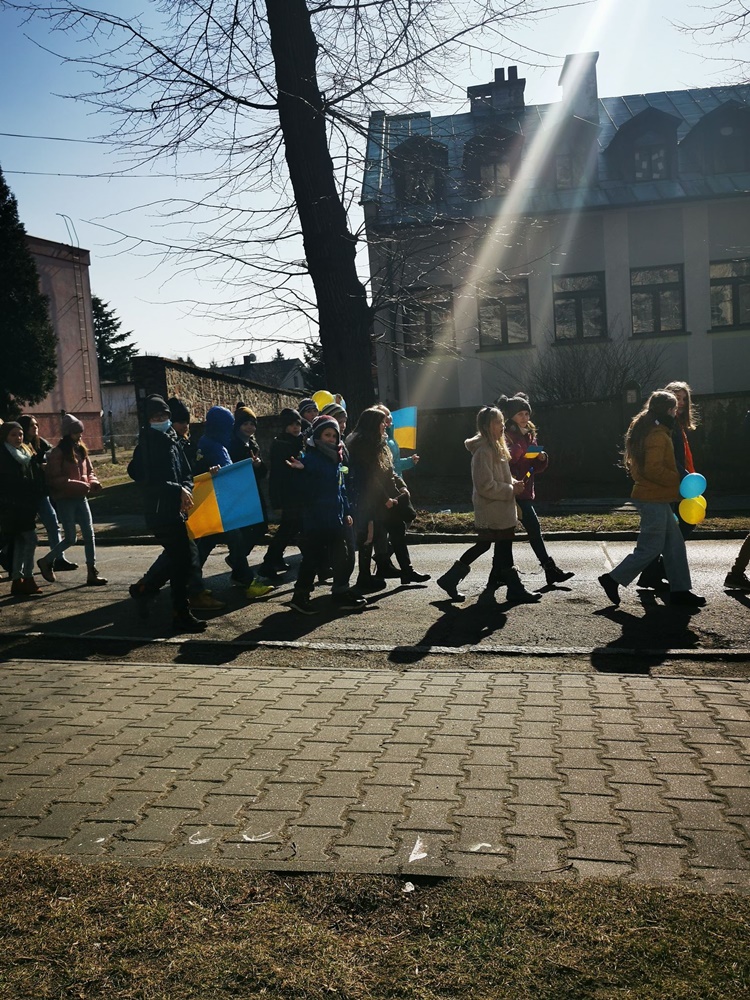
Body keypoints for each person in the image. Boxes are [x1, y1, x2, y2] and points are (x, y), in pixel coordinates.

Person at [598, 390, 706, 608]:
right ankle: (612, 579)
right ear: (668, 410)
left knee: (674, 546)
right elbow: (652, 470)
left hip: (658, 497)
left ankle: (680, 591)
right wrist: (678, 480)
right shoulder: (657, 434)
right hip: (652, 498)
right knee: (650, 548)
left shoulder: (654, 429)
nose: (677, 412)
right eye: (675, 409)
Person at [127, 395, 206, 632]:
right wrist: (178, 490)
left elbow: (185, 473)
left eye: (164, 416)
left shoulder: (173, 441)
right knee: (185, 559)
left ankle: (146, 590)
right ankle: (180, 613)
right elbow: (150, 481)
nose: (161, 420)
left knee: (182, 559)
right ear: (148, 420)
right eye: (156, 417)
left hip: (176, 511)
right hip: (160, 512)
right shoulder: (147, 445)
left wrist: (186, 489)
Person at [457, 406, 539, 606]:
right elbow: (485, 485)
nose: (502, 425)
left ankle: (505, 586)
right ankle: (514, 589)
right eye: (497, 422)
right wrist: (510, 489)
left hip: (501, 508)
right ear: (486, 426)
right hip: (492, 508)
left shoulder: (496, 445)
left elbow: (501, 476)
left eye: (502, 421)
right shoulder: (484, 451)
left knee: (502, 547)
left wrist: (514, 483)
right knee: (498, 547)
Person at [287, 415, 365, 614]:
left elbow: (341, 489)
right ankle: (300, 595)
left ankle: (340, 592)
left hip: (336, 518)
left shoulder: (336, 459)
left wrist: (347, 511)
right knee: (312, 559)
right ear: (318, 436)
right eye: (326, 434)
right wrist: (301, 472)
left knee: (343, 555)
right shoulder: (310, 458)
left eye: (334, 435)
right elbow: (303, 489)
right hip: (317, 519)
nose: (330, 439)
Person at [193, 405, 273, 601]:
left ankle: (191, 582)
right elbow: (227, 472)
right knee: (232, 541)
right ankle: (245, 581)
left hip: (217, 502)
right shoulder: (217, 445)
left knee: (208, 543)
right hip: (222, 504)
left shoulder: (206, 442)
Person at [497, 393, 573, 587]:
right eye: (520, 414)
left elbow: (533, 467)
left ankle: (497, 574)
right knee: (532, 528)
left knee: (505, 535)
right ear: (511, 416)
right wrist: (525, 448)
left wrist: (541, 458)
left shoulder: (528, 433)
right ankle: (549, 569)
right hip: (512, 488)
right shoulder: (507, 435)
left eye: (527, 413)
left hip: (524, 487)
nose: (525, 418)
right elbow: (510, 459)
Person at [346, 407, 427, 590]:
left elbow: (389, 469)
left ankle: (407, 570)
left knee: (397, 530)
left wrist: (402, 487)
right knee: (369, 536)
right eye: (382, 422)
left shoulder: (380, 442)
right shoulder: (363, 444)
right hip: (372, 501)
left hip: (388, 497)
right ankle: (364, 578)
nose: (385, 425)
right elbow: (370, 476)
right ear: (373, 424)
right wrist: (385, 499)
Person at [638, 380, 700, 589]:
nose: (681, 403)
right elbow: (667, 460)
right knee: (675, 531)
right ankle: (656, 573)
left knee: (670, 533)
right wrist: (683, 479)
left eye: (684, 399)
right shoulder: (663, 426)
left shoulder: (677, 425)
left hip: (681, 481)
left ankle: (652, 574)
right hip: (673, 483)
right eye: (677, 398)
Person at [36, 414, 107, 586]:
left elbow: (89, 471)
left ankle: (92, 571)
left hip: (81, 498)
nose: (79, 435)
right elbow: (53, 478)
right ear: (67, 433)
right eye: (76, 432)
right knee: (70, 538)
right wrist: (78, 485)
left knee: (89, 535)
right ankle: (46, 560)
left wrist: (93, 482)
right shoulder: (58, 453)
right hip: (65, 499)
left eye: (80, 431)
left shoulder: (81, 450)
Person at [372, 403, 429, 583]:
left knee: (400, 528)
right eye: (383, 417)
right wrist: (384, 497)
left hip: (394, 491)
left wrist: (402, 482)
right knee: (385, 532)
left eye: (388, 415)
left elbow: (392, 468)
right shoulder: (374, 443)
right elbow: (373, 474)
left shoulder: (388, 439)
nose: (387, 419)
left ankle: (403, 570)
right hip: (382, 497)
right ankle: (382, 565)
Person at [18, 414, 77, 572]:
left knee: (53, 523)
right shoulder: (18, 445)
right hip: (25, 494)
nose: (35, 427)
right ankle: (16, 565)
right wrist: (39, 467)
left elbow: (52, 454)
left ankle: (59, 558)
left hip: (41, 492)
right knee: (23, 531)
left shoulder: (40, 443)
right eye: (31, 425)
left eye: (36, 424)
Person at [0, 421, 46, 597]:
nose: (18, 438)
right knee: (31, 539)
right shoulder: (3, 455)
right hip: (10, 507)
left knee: (20, 542)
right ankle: (28, 578)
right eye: (13, 435)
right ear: (5, 436)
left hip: (25, 506)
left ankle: (17, 580)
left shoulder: (25, 452)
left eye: (20, 434)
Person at [260, 407, 305, 577]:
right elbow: (277, 475)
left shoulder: (299, 442)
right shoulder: (281, 445)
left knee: (291, 528)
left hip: (299, 493)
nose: (295, 428)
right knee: (289, 528)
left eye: (297, 424)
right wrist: (276, 501)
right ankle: (270, 561)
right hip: (289, 494)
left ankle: (274, 559)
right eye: (291, 424)